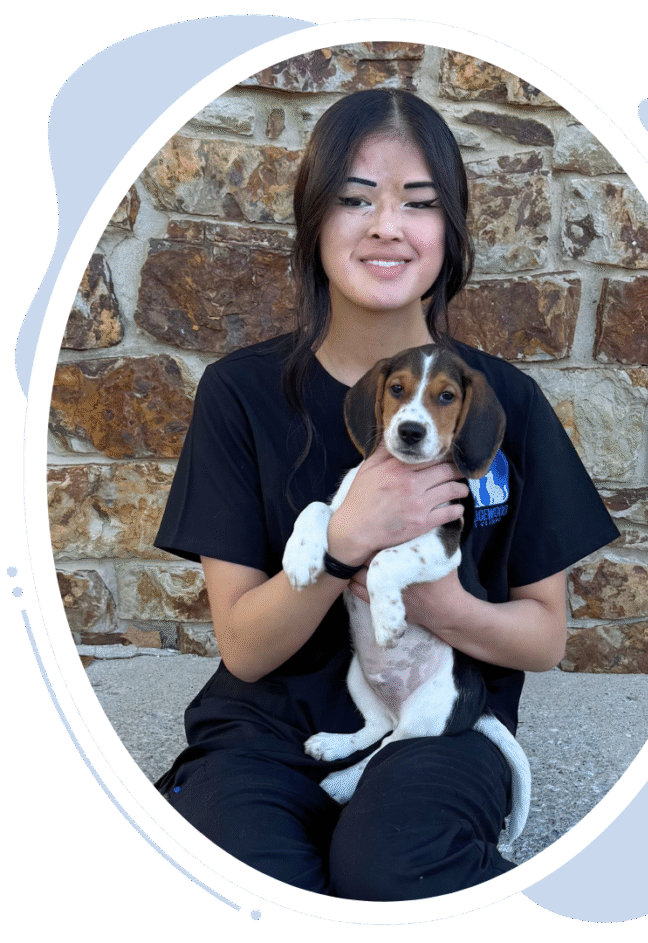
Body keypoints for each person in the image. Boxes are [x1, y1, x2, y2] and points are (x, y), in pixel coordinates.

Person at [154, 88, 619, 901]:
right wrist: (343, 543)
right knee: (244, 884)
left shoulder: (502, 400)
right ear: (314, 220)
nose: (386, 226)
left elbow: (544, 639)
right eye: (354, 198)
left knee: (393, 870)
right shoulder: (240, 393)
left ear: (451, 230)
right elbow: (245, 648)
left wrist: (441, 605)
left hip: (442, 725)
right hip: (263, 728)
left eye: (420, 202)